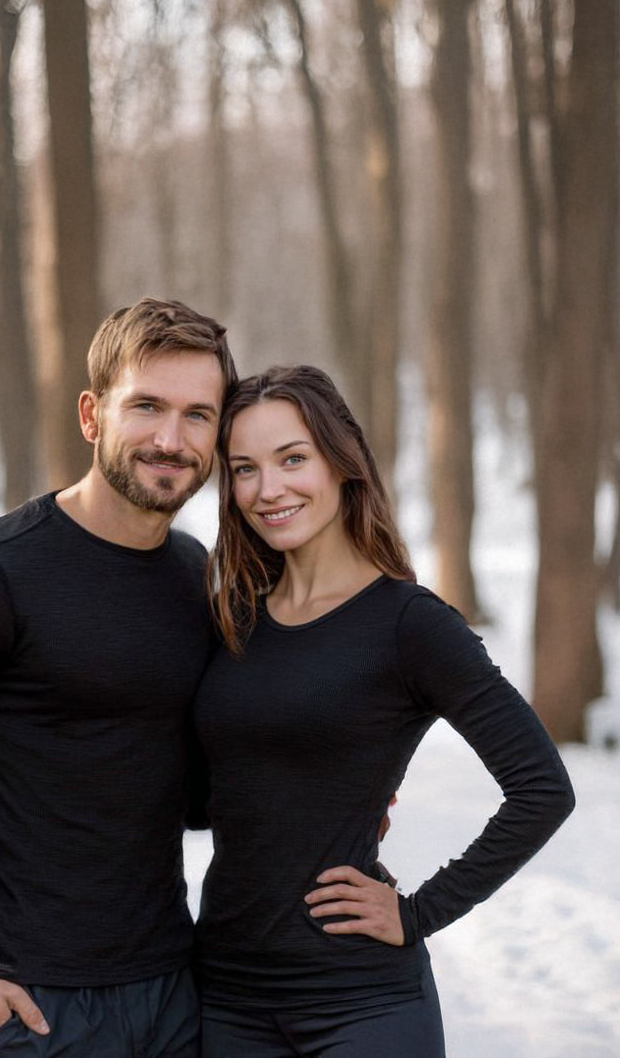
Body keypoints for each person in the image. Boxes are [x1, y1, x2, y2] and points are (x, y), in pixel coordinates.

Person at [0, 298, 236, 1058]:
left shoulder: (194, 574)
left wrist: (326, 785)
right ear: (93, 415)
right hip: (30, 1004)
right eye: (148, 406)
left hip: (174, 991)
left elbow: (186, 791)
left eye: (198, 415)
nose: (172, 439)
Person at [193, 364, 575, 1057]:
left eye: (292, 459)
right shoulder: (233, 619)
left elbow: (542, 788)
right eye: (244, 468)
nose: (267, 489)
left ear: (344, 464)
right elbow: (216, 794)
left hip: (361, 1006)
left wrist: (418, 913)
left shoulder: (410, 625)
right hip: (226, 996)